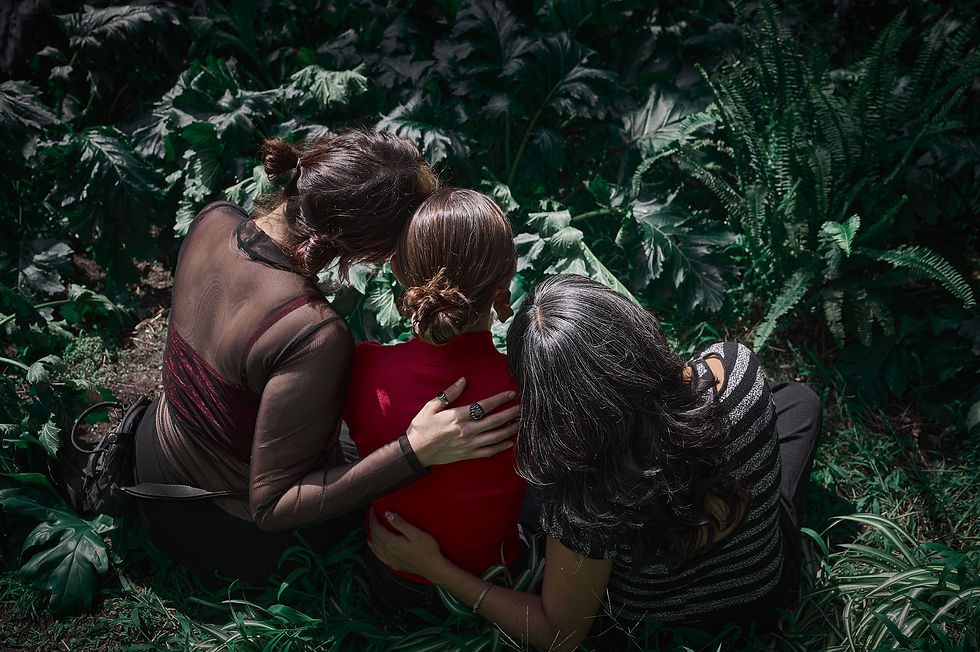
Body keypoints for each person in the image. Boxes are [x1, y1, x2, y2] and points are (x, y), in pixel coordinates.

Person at [134, 130, 519, 584]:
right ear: (374, 249)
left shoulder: (212, 218)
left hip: (151, 462)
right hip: (223, 530)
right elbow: (271, 507)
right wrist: (414, 452)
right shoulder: (312, 331)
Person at [369, 274, 821, 649]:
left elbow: (559, 633)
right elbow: (669, 410)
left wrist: (437, 569)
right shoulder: (738, 369)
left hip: (656, 626)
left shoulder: (584, 499)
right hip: (763, 587)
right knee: (799, 400)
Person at [344, 187, 526, 615]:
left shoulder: (364, 370)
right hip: (499, 578)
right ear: (506, 283)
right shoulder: (527, 385)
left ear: (395, 270)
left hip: (396, 579)